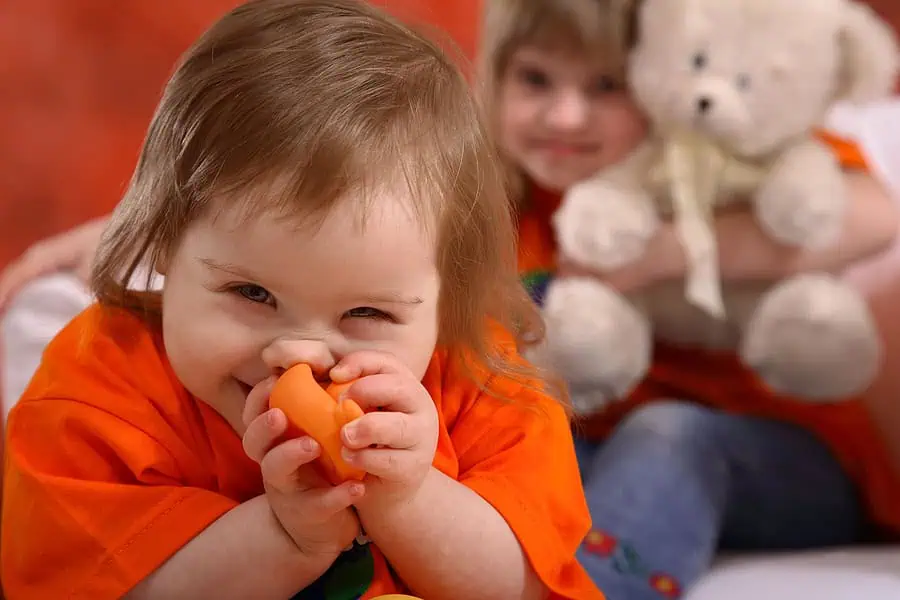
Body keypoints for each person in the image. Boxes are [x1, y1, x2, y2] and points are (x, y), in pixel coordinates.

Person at [0, 2, 602, 599]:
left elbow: (528, 586)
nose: (301, 355)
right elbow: (96, 586)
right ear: (160, 245)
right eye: (252, 293)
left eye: (367, 313)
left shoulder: (484, 380)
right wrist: (284, 537)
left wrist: (412, 500)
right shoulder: (98, 397)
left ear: (448, 300)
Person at [479, 0, 900, 599]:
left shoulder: (716, 160)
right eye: (534, 79)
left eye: (607, 86)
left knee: (669, 435)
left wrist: (664, 252)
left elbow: (873, 216)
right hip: (594, 452)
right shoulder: (492, 203)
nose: (565, 116)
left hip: (786, 463)